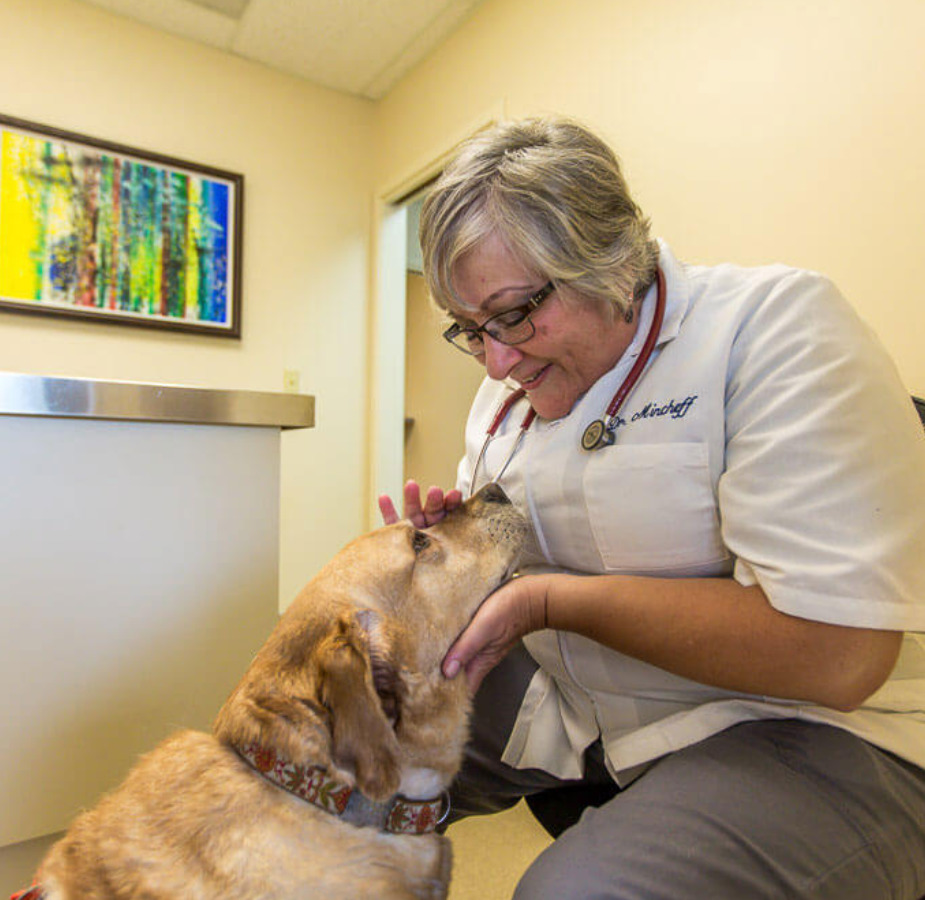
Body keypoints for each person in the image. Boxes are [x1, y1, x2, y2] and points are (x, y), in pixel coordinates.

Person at [379, 116, 925, 899]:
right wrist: (454, 547)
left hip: (797, 726)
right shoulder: (505, 391)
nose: (497, 361)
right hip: (579, 699)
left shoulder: (771, 328)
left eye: (514, 313)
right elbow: (515, 534)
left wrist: (545, 600)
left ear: (610, 260)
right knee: (323, 772)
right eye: (469, 331)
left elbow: (839, 656)